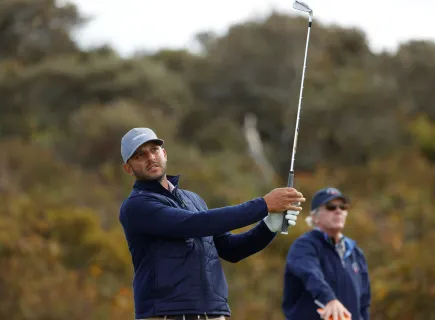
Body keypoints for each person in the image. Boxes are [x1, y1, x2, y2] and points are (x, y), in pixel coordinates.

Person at [118, 127, 306, 320]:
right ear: (128, 168)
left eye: (154, 150)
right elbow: (192, 224)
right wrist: (264, 205)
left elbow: (232, 250)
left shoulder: (194, 199)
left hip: (213, 313)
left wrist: (268, 227)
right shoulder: (137, 206)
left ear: (164, 153)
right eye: (140, 155)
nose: (150, 157)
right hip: (166, 314)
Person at [281, 187, 371, 320]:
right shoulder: (304, 246)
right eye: (331, 207)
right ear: (314, 217)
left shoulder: (356, 252)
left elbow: (364, 303)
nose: (338, 211)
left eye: (343, 207)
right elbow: (311, 275)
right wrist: (329, 299)